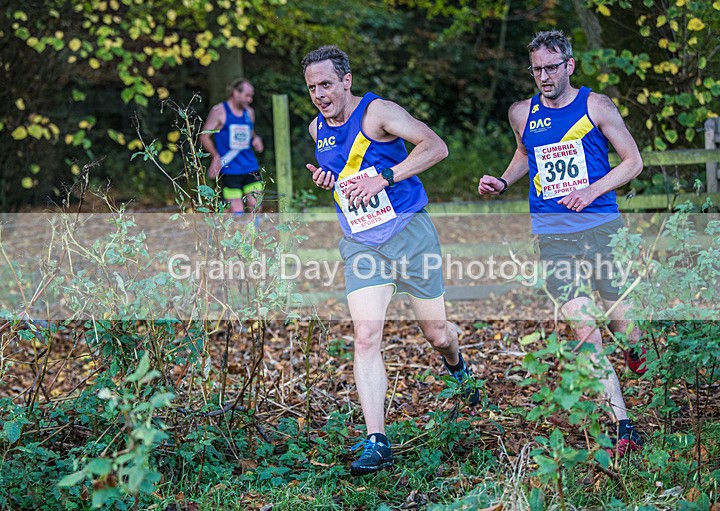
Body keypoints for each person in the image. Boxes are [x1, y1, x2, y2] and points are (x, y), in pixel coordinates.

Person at [302, 45, 480, 476]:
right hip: (362, 243)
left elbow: (436, 148)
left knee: (437, 333)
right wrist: (329, 179)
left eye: (326, 84)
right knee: (365, 335)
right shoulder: (316, 128)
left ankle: (457, 365)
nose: (320, 95)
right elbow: (344, 175)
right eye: (311, 88)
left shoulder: (378, 113)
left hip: (409, 233)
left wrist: (386, 176)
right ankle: (377, 440)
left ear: (346, 81)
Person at [478, 30, 648, 455]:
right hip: (553, 236)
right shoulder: (521, 112)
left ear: (569, 66)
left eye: (551, 68)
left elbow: (633, 161)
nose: (543, 77)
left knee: (622, 321)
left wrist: (591, 191)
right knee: (585, 329)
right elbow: (526, 154)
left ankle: (635, 347)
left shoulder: (596, 106)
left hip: (601, 228)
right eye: (536, 69)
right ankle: (624, 424)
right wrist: (502, 180)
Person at [200, 78, 264, 216]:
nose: (250, 99)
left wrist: (256, 139)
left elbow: (251, 133)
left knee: (256, 206)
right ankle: (228, 234)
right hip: (230, 169)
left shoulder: (249, 112)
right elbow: (204, 136)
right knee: (237, 212)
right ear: (235, 93)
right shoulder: (219, 111)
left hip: (250, 167)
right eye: (247, 95)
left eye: (251, 96)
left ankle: (251, 237)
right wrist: (215, 156)